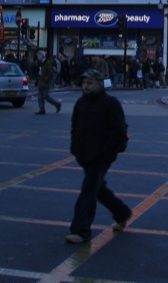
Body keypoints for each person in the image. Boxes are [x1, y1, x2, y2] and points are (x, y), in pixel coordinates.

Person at [66, 69, 131, 244]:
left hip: (101, 156)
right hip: (85, 154)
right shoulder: (81, 103)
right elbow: (75, 127)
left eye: (90, 83)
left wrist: (107, 152)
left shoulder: (110, 103)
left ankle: (81, 230)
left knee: (88, 190)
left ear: (100, 84)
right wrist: (75, 148)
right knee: (97, 189)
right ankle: (122, 213)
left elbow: (119, 132)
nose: (85, 86)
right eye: (84, 83)